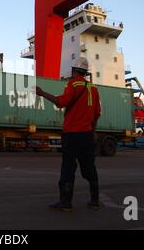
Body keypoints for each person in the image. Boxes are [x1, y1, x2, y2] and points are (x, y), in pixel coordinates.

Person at [36, 57, 101, 212]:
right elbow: (97, 114)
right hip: (86, 135)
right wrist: (93, 131)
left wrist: (42, 93)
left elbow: (61, 102)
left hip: (72, 135)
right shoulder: (94, 89)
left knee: (68, 168)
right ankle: (95, 200)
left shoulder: (73, 84)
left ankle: (66, 202)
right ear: (86, 72)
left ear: (74, 70)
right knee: (89, 168)